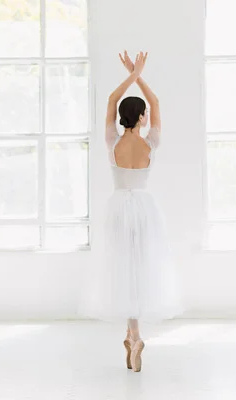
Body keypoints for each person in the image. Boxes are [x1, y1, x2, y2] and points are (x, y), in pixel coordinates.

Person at [80, 51, 183, 372]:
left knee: (123, 268)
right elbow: (156, 101)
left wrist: (129, 76)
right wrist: (139, 75)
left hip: (118, 209)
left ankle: (133, 332)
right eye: (145, 114)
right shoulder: (152, 141)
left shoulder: (111, 142)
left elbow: (112, 97)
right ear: (141, 118)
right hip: (144, 208)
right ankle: (134, 333)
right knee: (141, 268)